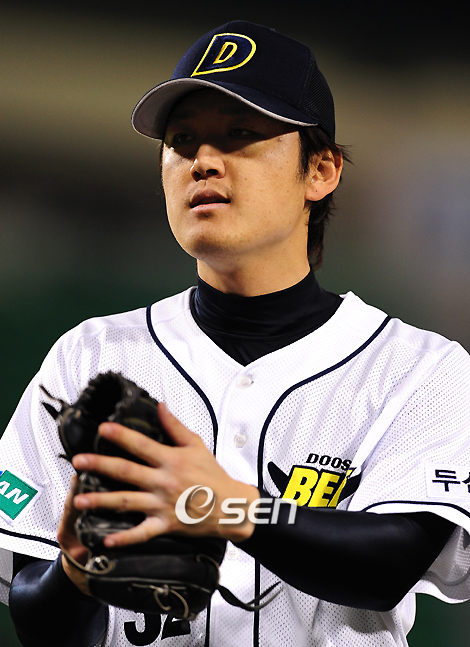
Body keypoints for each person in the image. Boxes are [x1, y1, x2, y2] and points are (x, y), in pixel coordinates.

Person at [1, 19, 470, 647]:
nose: (202, 161)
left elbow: (393, 563)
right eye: (182, 140)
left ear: (321, 170)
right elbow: (36, 615)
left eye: (240, 135)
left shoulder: (419, 368)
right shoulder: (90, 356)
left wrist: (220, 504)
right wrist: (78, 571)